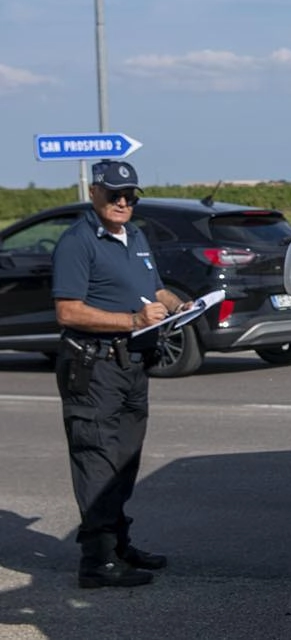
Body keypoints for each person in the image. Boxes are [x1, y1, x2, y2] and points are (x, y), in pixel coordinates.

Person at [51, 159, 190, 588]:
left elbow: (154, 288)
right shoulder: (78, 242)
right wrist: (132, 321)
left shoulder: (136, 236)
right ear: (94, 192)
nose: (123, 202)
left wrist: (177, 303)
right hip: (94, 367)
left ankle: (118, 545)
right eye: (114, 194)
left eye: (130, 196)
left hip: (131, 366)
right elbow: (68, 310)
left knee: (124, 461)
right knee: (97, 460)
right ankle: (97, 560)